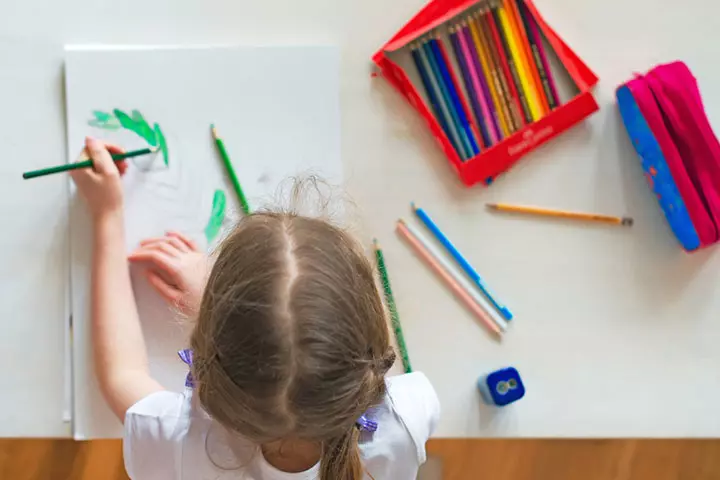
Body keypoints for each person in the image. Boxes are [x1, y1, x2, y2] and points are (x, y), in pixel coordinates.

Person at [71, 137, 440, 480]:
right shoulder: (405, 420)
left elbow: (121, 375)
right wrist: (221, 312)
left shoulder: (173, 439)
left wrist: (107, 213)